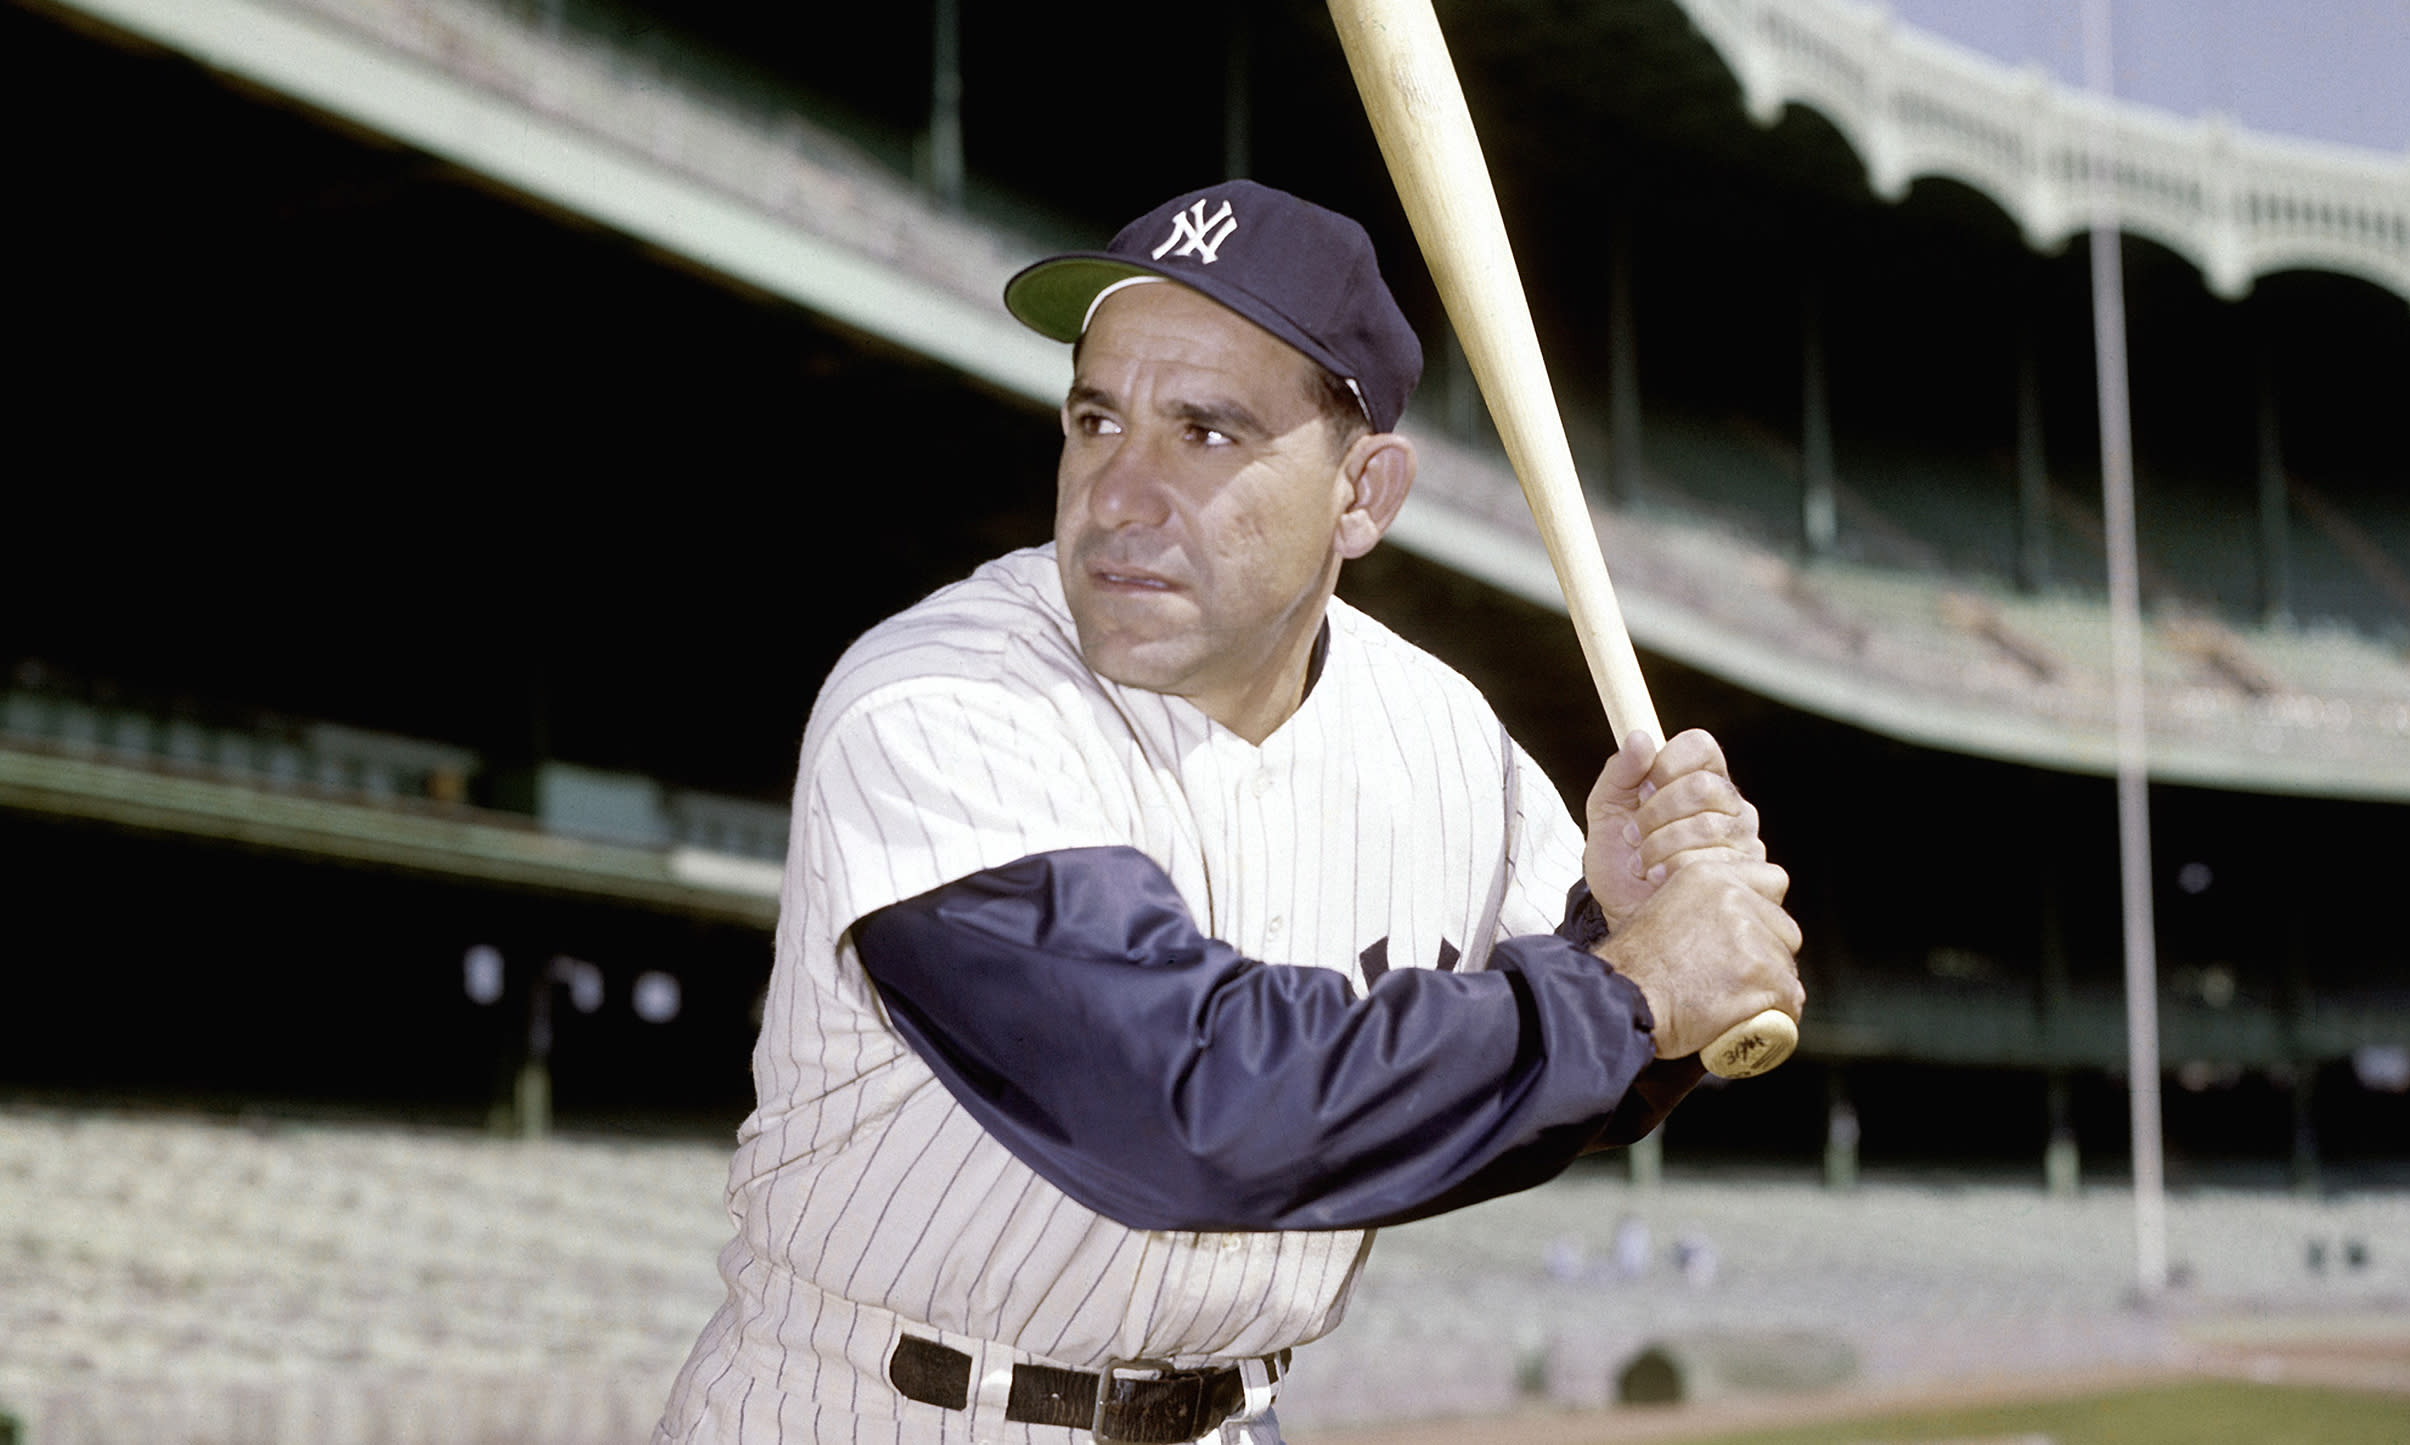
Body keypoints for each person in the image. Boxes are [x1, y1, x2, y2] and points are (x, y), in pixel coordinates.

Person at [655, 180, 1803, 1445]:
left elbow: (1545, 1078)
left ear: (1363, 495)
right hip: (889, 1406)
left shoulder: (1446, 742)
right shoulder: (937, 698)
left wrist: (1637, 935)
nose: (1121, 492)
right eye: (1097, 420)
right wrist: (1631, 986)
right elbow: (1180, 1106)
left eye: (1206, 433)